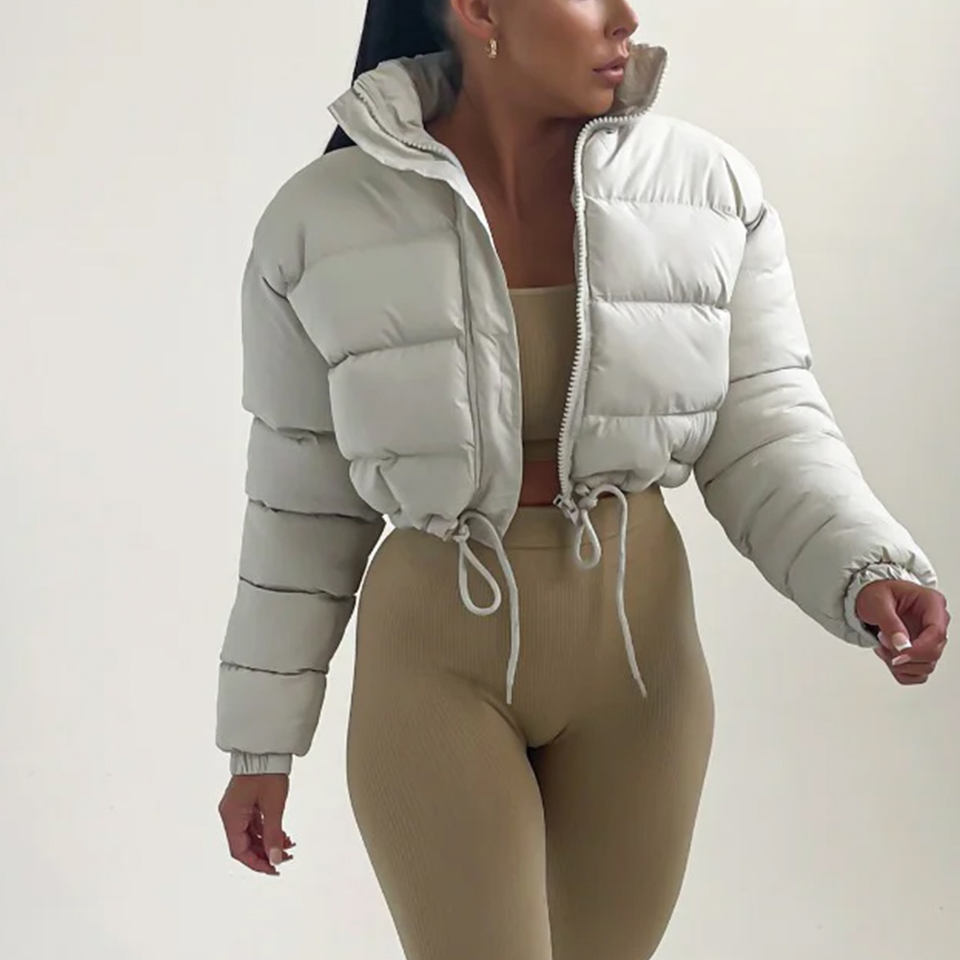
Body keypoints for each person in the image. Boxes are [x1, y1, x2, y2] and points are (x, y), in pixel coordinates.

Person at [215, 1, 950, 957]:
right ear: (479, 8)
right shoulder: (319, 221)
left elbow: (768, 426)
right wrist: (261, 742)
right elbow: (300, 499)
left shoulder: (707, 191)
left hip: (641, 671)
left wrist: (866, 565)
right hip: (432, 669)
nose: (625, 17)